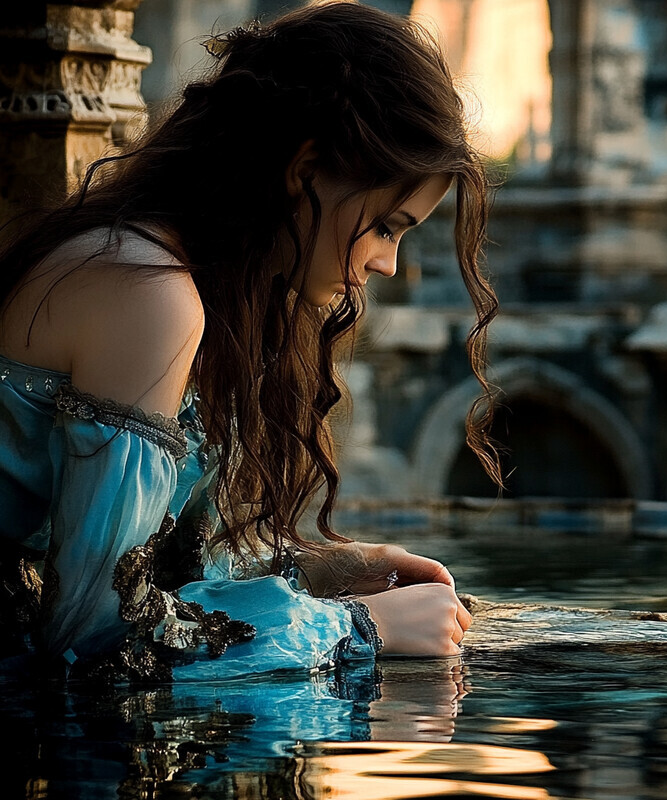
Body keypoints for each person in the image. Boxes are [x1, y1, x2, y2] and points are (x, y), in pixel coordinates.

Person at [0, 1, 501, 684]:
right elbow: (96, 636)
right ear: (303, 170)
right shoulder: (146, 290)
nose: (386, 262)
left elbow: (156, 568)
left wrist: (323, 571)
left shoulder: (180, 282)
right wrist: (360, 629)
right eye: (386, 225)